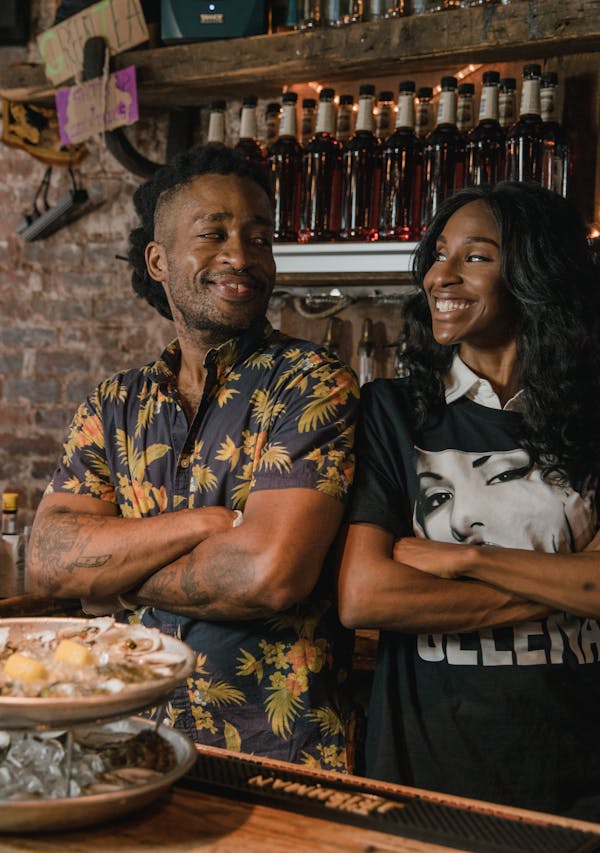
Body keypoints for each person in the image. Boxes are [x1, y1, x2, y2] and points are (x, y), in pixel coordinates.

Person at [337, 182, 600, 823]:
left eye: (474, 257)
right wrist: (586, 570)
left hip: (578, 775)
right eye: (438, 254)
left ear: (534, 276)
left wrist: (464, 563)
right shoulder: (394, 412)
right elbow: (367, 595)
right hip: (428, 771)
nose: (438, 275)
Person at [27, 145, 360, 771]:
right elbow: (47, 561)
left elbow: (268, 573)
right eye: (215, 234)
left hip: (275, 753)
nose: (241, 256)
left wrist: (115, 581)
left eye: (260, 239)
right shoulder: (114, 404)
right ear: (158, 260)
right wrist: (201, 525)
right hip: (125, 741)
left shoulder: (311, 383)